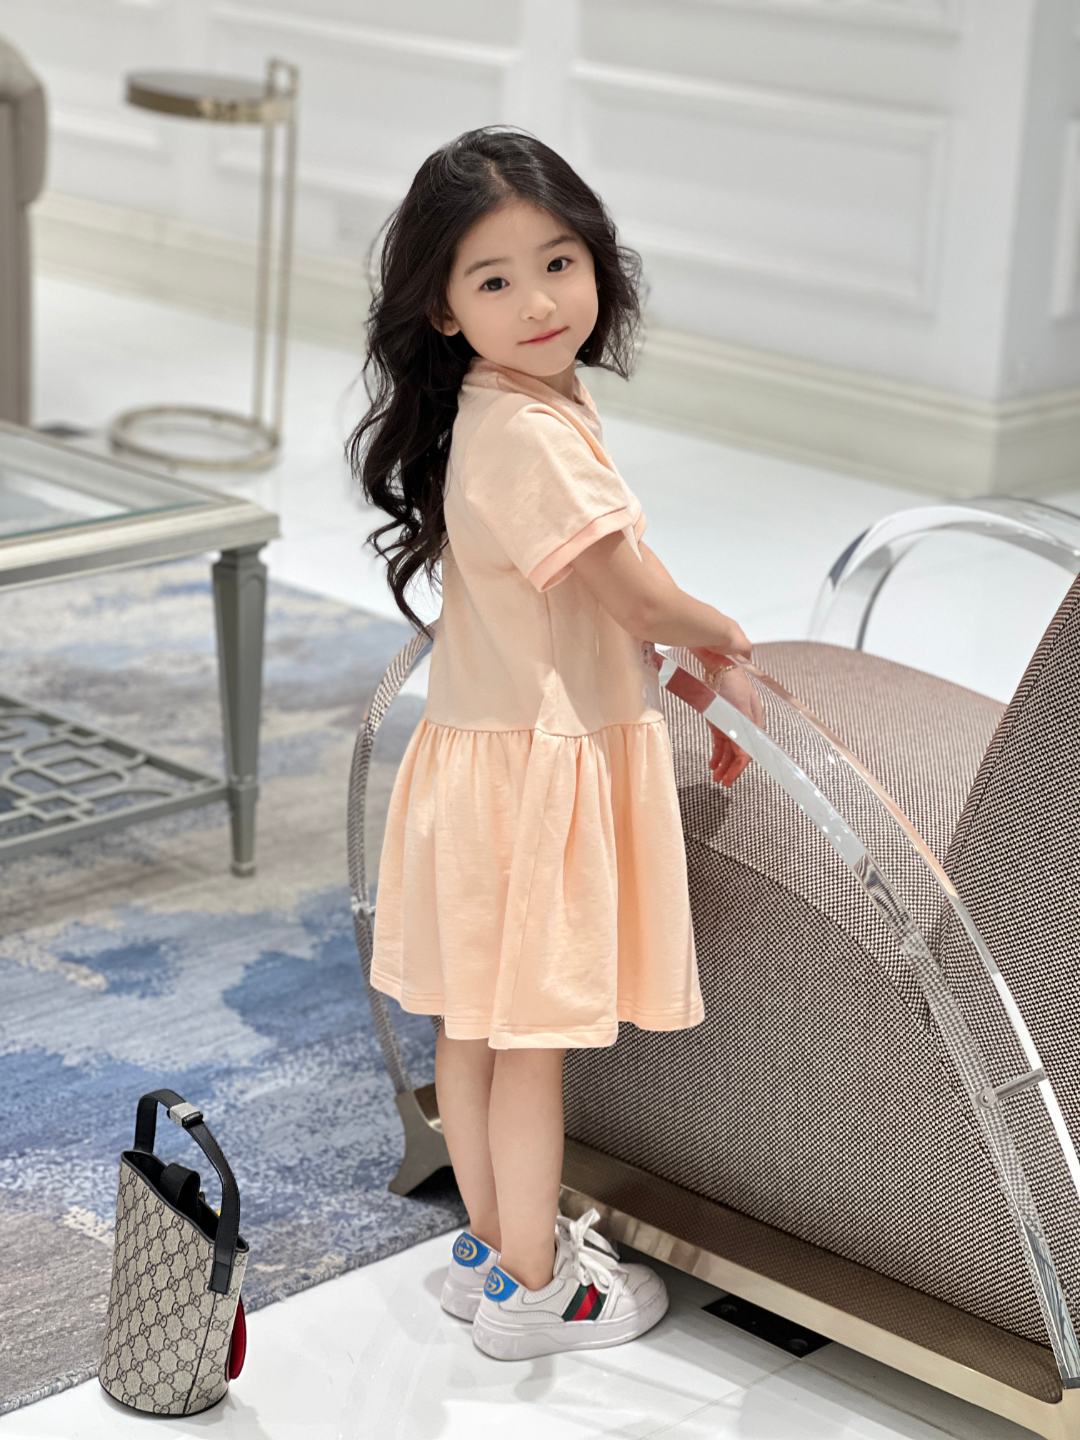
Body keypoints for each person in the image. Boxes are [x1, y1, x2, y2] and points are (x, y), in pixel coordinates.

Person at [350, 126, 762, 1362]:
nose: (538, 303)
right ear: (444, 307)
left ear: (597, 261)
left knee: (473, 1031)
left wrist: (682, 663)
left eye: (558, 263)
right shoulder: (530, 432)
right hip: (535, 773)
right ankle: (539, 1290)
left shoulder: (510, 406)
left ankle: (490, 1253)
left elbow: (596, 589)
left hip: (484, 762)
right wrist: (725, 637)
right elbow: (636, 595)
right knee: (529, 1047)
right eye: (495, 279)